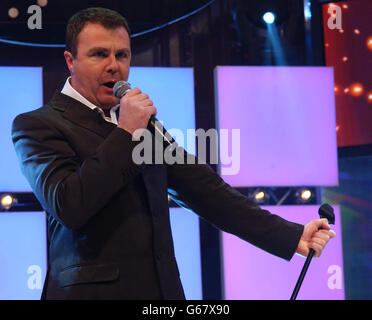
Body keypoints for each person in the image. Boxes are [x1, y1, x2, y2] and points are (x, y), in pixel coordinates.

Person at [12, 7, 335, 300]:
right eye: (99, 54)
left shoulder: (142, 125)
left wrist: (290, 235)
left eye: (122, 55)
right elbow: (70, 205)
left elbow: (205, 191)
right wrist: (126, 133)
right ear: (71, 60)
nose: (115, 66)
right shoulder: (38, 125)